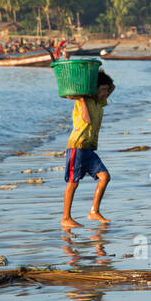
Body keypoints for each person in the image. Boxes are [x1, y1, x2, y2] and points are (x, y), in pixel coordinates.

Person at [62, 71, 114, 227]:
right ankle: (66, 217)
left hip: (89, 150)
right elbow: (86, 119)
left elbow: (113, 86)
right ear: (95, 90)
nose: (106, 93)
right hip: (77, 147)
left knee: (105, 177)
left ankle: (94, 211)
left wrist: (100, 75)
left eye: (106, 90)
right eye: (103, 90)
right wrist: (82, 98)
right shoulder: (83, 101)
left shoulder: (100, 101)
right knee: (73, 182)